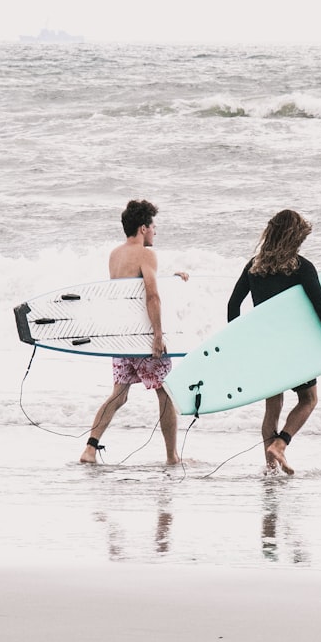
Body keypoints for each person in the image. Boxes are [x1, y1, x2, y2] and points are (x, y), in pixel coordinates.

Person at [227, 209, 321, 475]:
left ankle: (270, 469)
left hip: (265, 347)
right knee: (308, 399)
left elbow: (233, 304)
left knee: (273, 406)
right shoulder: (300, 267)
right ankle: (281, 444)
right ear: (294, 237)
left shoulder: (254, 266)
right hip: (294, 349)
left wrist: (236, 341)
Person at [80, 199, 187, 465]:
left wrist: (172, 280)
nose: (154, 231)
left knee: (118, 395)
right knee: (165, 393)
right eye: (153, 226)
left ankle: (90, 449)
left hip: (121, 339)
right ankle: (172, 457)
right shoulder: (147, 254)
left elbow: (129, 293)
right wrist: (158, 335)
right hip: (142, 338)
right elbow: (151, 296)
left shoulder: (115, 254)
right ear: (142, 228)